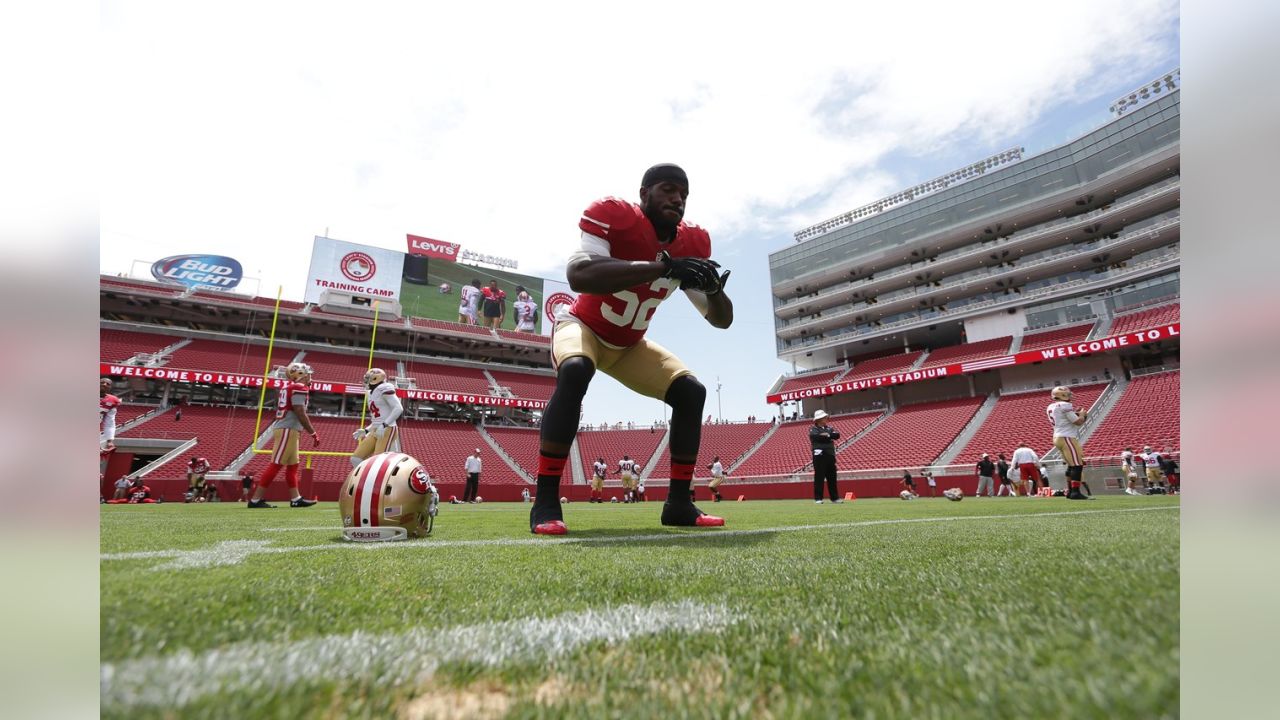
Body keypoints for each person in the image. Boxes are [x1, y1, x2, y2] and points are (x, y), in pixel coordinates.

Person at [528, 164, 732, 535]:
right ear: (644, 194)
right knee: (575, 370)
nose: (677, 199)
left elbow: (720, 320)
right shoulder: (615, 216)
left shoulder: (692, 244)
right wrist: (660, 268)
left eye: (683, 194)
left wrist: (715, 289)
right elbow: (581, 275)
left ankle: (679, 503)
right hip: (583, 327)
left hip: (628, 344)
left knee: (691, 392)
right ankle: (544, 503)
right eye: (668, 189)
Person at [247, 362, 320, 508]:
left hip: (289, 428)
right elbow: (300, 411)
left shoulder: (289, 387)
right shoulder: (299, 387)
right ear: (300, 374)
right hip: (288, 428)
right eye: (307, 373)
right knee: (276, 464)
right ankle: (255, 500)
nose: (310, 376)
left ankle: (296, 498)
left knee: (293, 465)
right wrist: (312, 432)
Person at [350, 368, 404, 468]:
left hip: (388, 429)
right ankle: (365, 479)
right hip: (376, 429)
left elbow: (398, 408)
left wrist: (384, 425)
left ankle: (378, 482)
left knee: (377, 462)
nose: (365, 381)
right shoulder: (371, 393)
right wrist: (366, 430)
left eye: (368, 379)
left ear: (375, 379)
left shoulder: (384, 388)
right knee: (356, 458)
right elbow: (378, 418)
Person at [1046, 386, 1089, 500]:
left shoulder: (1051, 406)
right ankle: (1075, 492)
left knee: (1071, 465)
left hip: (1058, 437)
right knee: (1077, 465)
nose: (1070, 396)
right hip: (1067, 437)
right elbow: (1078, 422)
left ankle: (1070, 491)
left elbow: (1064, 417)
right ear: (1062, 395)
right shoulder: (1064, 405)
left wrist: (1076, 413)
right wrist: (1082, 415)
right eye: (1067, 394)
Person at [810, 410, 841, 503]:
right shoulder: (813, 429)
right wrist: (829, 437)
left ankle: (834, 498)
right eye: (824, 418)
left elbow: (837, 435)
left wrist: (827, 435)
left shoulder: (829, 428)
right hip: (819, 456)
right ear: (818, 419)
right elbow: (816, 437)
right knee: (819, 477)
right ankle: (818, 498)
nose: (826, 419)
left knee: (832, 477)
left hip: (830, 454)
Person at [100, 377, 121, 479]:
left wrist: (109, 440)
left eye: (107, 384)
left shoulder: (112, 401)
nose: (104, 384)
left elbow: (109, 422)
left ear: (110, 387)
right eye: (102, 382)